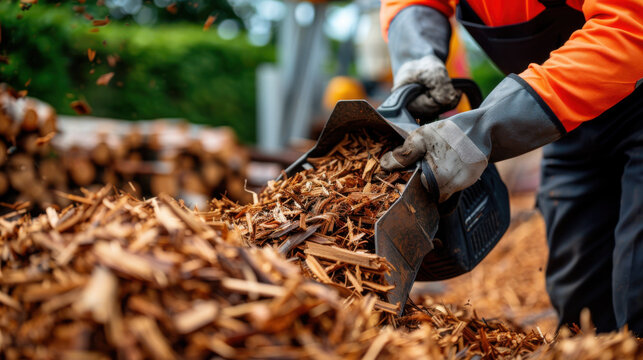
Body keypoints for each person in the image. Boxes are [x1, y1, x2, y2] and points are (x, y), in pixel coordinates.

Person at [378, 0, 643, 335]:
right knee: (580, 306)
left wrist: (486, 128)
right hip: (572, 120)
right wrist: (416, 53)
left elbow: (631, 23)